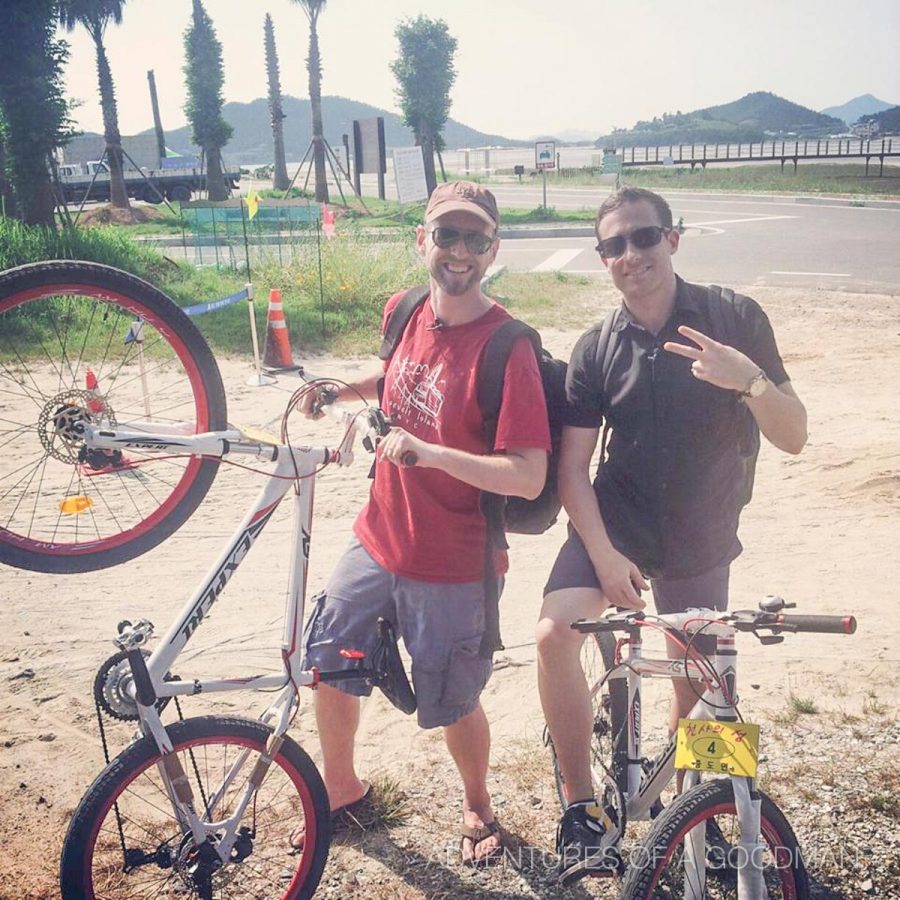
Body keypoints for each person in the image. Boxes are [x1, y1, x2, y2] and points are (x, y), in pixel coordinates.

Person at [536, 186, 807, 885]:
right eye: (614, 246)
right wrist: (601, 552)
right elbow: (570, 468)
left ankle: (703, 810)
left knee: (704, 683)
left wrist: (748, 381)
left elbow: (795, 436)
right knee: (552, 635)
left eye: (645, 238)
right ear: (604, 259)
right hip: (617, 522)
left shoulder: (733, 317)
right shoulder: (596, 346)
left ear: (673, 239)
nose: (631, 255)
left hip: (700, 527)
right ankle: (580, 809)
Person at [297, 181, 551, 864]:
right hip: (378, 535)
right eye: (447, 235)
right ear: (423, 240)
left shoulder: (509, 349)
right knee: (330, 655)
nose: (459, 252)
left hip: (454, 563)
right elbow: (396, 380)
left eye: (474, 238)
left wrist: (430, 452)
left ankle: (477, 805)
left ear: (493, 248)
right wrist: (335, 390)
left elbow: (527, 473)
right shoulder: (405, 309)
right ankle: (342, 787)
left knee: (453, 694)